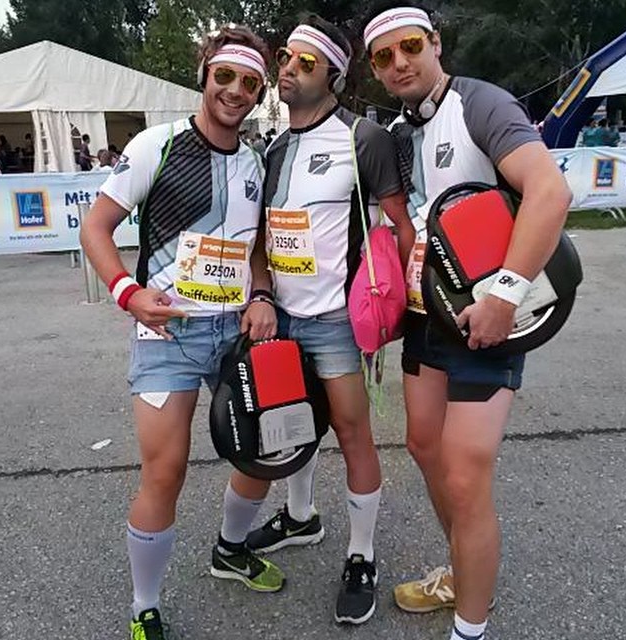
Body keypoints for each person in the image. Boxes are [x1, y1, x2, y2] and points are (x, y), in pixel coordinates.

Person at [361, 3, 571, 639]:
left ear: (435, 43)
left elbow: (550, 191)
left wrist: (506, 294)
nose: (400, 63)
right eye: (384, 56)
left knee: (464, 474)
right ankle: (464, 572)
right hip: (427, 320)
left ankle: (469, 628)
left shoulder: (479, 103)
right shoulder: (397, 133)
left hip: (489, 319)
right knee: (424, 449)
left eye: (410, 47)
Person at [213, 12, 415, 626]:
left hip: (334, 320)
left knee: (353, 434)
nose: (289, 70)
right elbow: (259, 239)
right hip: (281, 320)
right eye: (285, 59)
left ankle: (362, 555)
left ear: (333, 75)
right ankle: (301, 519)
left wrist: (404, 308)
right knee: (285, 429)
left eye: (306, 63)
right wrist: (261, 294)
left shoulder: (362, 138)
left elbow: (401, 226)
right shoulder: (273, 148)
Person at [80, 24, 279, 640]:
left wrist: (263, 293)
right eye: (225, 76)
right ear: (204, 76)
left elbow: (256, 246)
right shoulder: (156, 145)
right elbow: (96, 227)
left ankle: (230, 549)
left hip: (234, 335)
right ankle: (145, 606)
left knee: (263, 452)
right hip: (167, 335)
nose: (236, 91)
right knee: (165, 472)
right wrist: (128, 292)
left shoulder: (256, 162)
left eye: (250, 82)